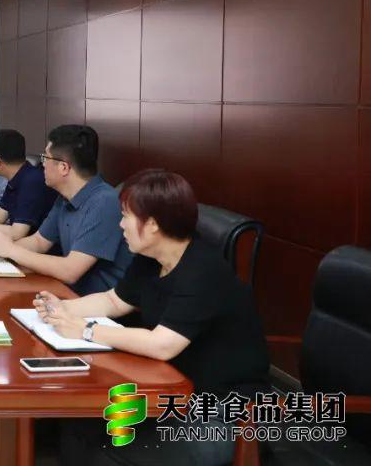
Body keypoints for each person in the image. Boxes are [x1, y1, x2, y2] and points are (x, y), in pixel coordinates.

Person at [43, 169, 270, 465]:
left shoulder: (203, 269)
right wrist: (62, 309)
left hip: (224, 416)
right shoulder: (150, 259)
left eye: (125, 216)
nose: (120, 224)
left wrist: (86, 330)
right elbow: (114, 300)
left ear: (152, 224)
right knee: (78, 424)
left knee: (104, 447)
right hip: (172, 393)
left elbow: (162, 344)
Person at [0, 124, 132, 295]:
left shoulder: (105, 202)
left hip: (98, 303)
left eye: (45, 158)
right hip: (67, 293)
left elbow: (70, 271)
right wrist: (0, 249)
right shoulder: (64, 198)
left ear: (63, 167)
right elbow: (39, 242)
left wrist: (11, 250)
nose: (42, 166)